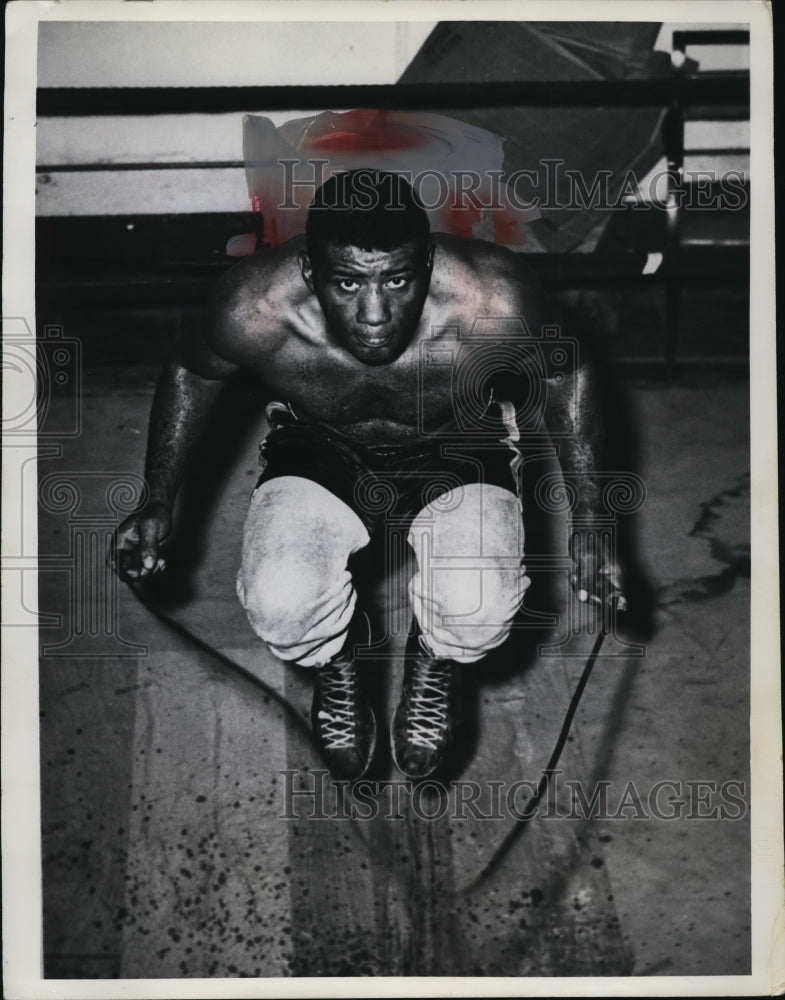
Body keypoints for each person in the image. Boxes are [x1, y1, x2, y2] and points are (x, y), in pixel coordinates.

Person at [113, 169, 624, 782]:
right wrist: (158, 499)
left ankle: (435, 658)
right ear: (309, 270)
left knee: (478, 606)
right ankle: (338, 658)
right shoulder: (253, 307)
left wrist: (592, 520)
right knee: (281, 602)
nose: (376, 313)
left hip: (457, 445)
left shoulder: (493, 299)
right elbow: (193, 372)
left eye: (399, 280)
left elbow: (565, 372)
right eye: (349, 283)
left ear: (428, 263)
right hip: (321, 448)